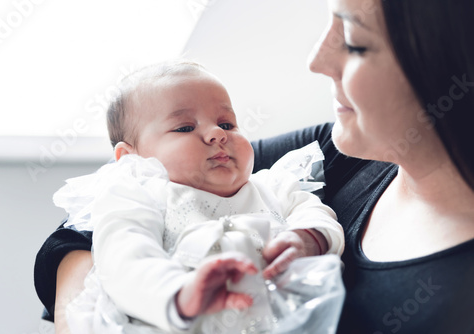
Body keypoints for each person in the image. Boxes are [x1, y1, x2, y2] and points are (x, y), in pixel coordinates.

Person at [34, 0, 474, 333]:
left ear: (445, 60)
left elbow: (309, 211)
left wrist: (310, 238)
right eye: (185, 127)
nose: (316, 60)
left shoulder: (268, 183)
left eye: (356, 42)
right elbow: (87, 232)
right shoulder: (336, 149)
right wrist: (161, 298)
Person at [49, 60, 344, 333]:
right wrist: (180, 293)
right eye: (185, 127)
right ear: (131, 158)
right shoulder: (139, 196)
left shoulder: (275, 186)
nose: (217, 133)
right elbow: (123, 260)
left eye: (227, 124)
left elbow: (316, 213)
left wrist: (308, 238)